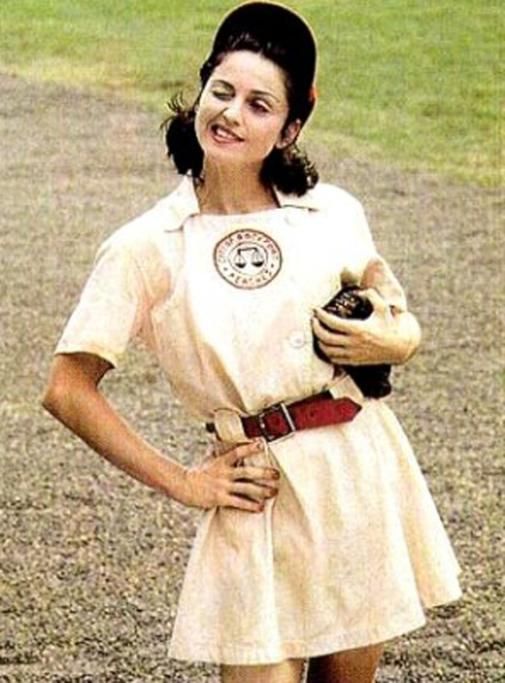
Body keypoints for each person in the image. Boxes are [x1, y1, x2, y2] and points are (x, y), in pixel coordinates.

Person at [42, 3, 461, 682]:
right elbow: (66, 389)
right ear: (201, 92)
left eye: (259, 104)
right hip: (256, 492)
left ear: (291, 127)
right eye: (222, 91)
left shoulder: (332, 212)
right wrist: (186, 482)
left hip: (358, 473)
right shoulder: (148, 245)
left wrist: (397, 342)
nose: (231, 114)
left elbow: (398, 318)